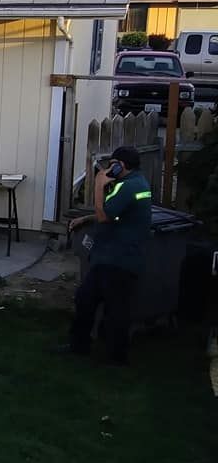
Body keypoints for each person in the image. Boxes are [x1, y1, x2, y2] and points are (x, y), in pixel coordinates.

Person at [66, 146, 152, 365]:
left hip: (119, 259)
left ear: (121, 165)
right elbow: (116, 214)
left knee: (116, 311)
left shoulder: (128, 186)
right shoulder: (136, 183)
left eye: (112, 164)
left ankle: (116, 357)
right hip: (112, 257)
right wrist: (85, 220)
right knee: (86, 299)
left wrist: (97, 185)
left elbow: (105, 215)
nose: (107, 168)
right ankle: (80, 345)